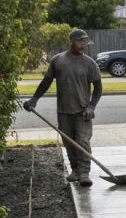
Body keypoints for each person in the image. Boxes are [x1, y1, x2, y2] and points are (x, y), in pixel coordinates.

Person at [23, 28, 102, 187]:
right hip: (64, 111)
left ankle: (84, 173)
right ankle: (75, 170)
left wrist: (92, 107)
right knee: (68, 142)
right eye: (80, 41)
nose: (83, 44)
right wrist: (34, 99)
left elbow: (98, 88)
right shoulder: (58, 60)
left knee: (83, 142)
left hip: (83, 111)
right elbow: (46, 81)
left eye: (85, 41)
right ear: (71, 41)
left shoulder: (89, 63)